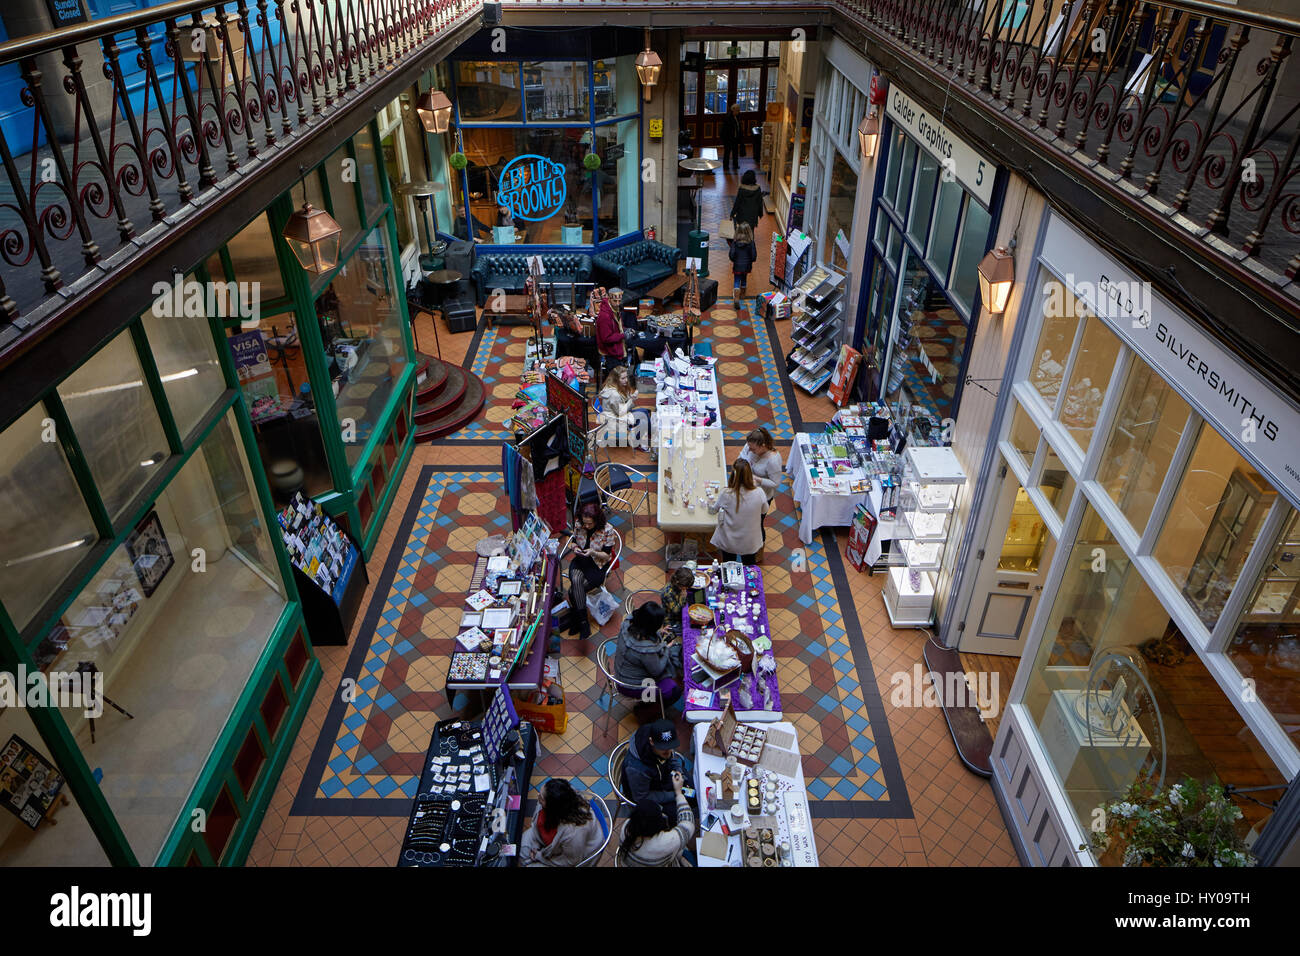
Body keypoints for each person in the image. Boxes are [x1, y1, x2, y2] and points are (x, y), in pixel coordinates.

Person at [519, 778, 606, 866]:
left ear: (553, 807)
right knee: (521, 850)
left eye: (541, 798)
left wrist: (539, 856)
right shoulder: (563, 794)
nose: (538, 797)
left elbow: (570, 861)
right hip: (547, 836)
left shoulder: (574, 834)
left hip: (568, 855)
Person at [563, 502, 617, 641]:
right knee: (576, 581)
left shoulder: (607, 530)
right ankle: (583, 622)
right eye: (584, 523)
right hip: (581, 560)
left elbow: (607, 556)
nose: (586, 526)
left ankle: (578, 619)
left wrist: (593, 552)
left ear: (597, 521)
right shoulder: (579, 523)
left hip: (597, 564)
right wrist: (575, 548)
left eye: (589, 524)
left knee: (573, 591)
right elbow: (574, 541)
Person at [614, 601, 682, 708]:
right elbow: (657, 671)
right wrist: (666, 649)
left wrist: (658, 633)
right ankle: (650, 708)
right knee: (674, 691)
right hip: (630, 686)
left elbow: (644, 633)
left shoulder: (628, 624)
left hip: (621, 673)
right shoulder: (645, 649)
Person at [619, 773, 695, 866]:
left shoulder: (626, 828)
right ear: (656, 825)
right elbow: (688, 824)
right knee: (693, 859)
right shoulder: (666, 842)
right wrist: (679, 793)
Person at [622, 718, 688, 814]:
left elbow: (671, 758)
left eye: (671, 746)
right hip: (646, 795)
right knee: (677, 812)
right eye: (663, 748)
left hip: (661, 778)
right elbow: (642, 797)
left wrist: (679, 772)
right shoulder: (637, 769)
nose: (668, 751)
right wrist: (676, 794)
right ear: (651, 741)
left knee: (691, 789)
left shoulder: (660, 742)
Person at [709, 458, 767, 564]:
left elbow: (714, 509)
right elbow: (764, 511)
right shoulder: (759, 493)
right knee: (749, 566)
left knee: (728, 564)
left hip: (729, 540)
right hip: (749, 541)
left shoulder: (726, 493)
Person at [737, 426, 782, 541]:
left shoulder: (773, 460)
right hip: (746, 491)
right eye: (749, 447)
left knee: (757, 523)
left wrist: (758, 479)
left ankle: (758, 549)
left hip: (762, 496)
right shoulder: (749, 446)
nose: (750, 450)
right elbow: (742, 457)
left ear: (763, 445)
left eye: (753, 449)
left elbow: (775, 483)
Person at [597, 365, 651, 451]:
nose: (626, 380)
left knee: (645, 411)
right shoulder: (614, 394)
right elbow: (621, 412)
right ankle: (638, 443)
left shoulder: (611, 386)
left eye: (626, 377)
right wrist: (632, 399)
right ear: (616, 379)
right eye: (623, 378)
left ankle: (648, 436)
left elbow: (621, 402)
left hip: (614, 416)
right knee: (644, 419)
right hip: (616, 421)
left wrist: (630, 397)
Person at [593, 288, 626, 380]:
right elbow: (606, 338)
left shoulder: (615, 309)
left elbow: (616, 328)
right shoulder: (605, 316)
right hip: (610, 352)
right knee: (616, 379)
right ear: (609, 299)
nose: (618, 303)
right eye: (615, 301)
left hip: (616, 346)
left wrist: (625, 331)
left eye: (619, 301)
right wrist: (623, 335)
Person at [659, 566, 695, 639]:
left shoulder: (677, 585)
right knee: (690, 632)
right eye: (686, 587)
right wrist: (683, 598)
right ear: (679, 584)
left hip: (678, 612)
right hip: (671, 619)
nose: (687, 589)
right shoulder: (668, 593)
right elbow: (676, 611)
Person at [728, 220, 758, 305]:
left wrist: (733, 260)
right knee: (744, 278)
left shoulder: (735, 242)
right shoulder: (751, 243)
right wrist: (751, 260)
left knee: (737, 280)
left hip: (737, 265)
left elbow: (731, 254)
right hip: (747, 265)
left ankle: (736, 295)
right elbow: (753, 255)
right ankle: (743, 294)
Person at [721, 103, 743, 173]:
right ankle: (726, 166)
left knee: (735, 152)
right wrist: (725, 139)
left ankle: (735, 165)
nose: (739, 112)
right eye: (737, 110)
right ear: (733, 110)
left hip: (735, 138)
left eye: (739, 110)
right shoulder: (728, 118)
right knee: (727, 153)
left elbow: (738, 126)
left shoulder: (737, 117)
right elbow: (725, 130)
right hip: (728, 139)